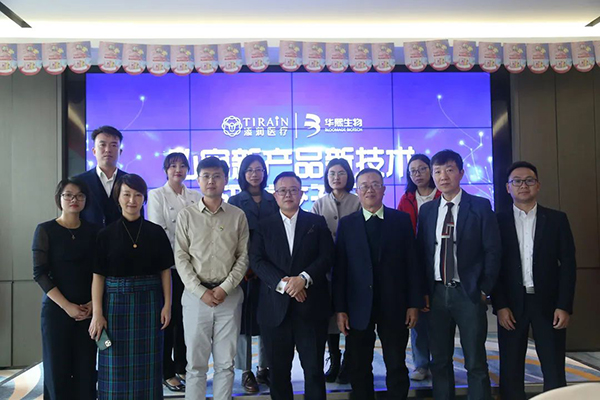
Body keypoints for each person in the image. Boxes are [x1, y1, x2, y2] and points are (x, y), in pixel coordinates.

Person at [416, 149, 501, 400]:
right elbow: (422, 253)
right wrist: (423, 291)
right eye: (438, 171)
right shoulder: (427, 210)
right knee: (440, 361)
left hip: (468, 293)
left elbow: (493, 250)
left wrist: (483, 289)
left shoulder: (480, 206)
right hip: (436, 293)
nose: (443, 176)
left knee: (475, 361)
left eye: (449, 170)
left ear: (461, 173)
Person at [333, 168, 422, 400]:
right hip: (358, 308)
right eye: (364, 186)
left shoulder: (400, 221)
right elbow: (340, 271)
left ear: (383, 189)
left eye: (375, 185)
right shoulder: (347, 224)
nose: (369, 190)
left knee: (396, 365)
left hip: (394, 305)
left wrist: (414, 303)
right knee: (360, 366)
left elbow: (412, 265)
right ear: (357, 191)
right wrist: (340, 309)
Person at [492, 161, 576, 400]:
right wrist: (500, 305)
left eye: (529, 180)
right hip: (511, 305)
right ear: (508, 188)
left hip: (548, 304)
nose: (523, 185)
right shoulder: (497, 221)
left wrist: (564, 305)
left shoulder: (557, 219)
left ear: (538, 185)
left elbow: (568, 265)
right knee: (510, 368)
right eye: (517, 181)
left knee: (553, 366)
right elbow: (493, 267)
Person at [251, 171, 334, 400]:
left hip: (311, 309)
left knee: (314, 371)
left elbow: (327, 256)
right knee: (278, 374)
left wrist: (303, 279)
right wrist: (285, 285)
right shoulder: (263, 226)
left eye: (293, 190)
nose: (288, 194)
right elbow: (256, 260)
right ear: (275, 195)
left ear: (301, 193)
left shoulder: (316, 222)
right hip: (274, 310)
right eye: (283, 190)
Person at [89, 174, 173, 400]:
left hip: (149, 304)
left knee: (149, 366)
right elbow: (98, 276)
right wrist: (97, 313)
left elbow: (165, 271)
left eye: (137, 195)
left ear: (144, 198)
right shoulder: (105, 234)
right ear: (118, 197)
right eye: (126, 194)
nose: (132, 200)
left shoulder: (156, 232)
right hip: (115, 306)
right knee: (113, 364)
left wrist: (167, 305)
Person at [175, 156, 249, 400]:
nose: (211, 181)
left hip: (229, 297)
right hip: (196, 298)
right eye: (205, 176)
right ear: (198, 180)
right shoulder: (186, 216)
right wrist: (201, 291)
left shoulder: (237, 216)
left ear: (225, 180)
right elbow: (181, 258)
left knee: (225, 364)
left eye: (217, 176)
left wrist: (225, 288)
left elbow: (243, 257)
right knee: (195, 365)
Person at [32, 178, 99, 400]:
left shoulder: (94, 231)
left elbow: (100, 271)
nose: (74, 199)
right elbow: (40, 274)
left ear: (86, 200)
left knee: (85, 372)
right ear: (59, 198)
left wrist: (93, 304)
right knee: (57, 372)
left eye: (80, 195)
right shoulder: (46, 230)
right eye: (68, 195)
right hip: (56, 310)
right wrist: (67, 306)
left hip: (88, 311)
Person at [148, 152, 201, 392]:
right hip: (168, 267)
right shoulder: (157, 195)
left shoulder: (195, 196)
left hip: (193, 268)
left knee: (186, 320)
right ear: (165, 170)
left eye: (182, 165)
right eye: (172, 166)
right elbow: (159, 232)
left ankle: (182, 365)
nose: (177, 169)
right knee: (168, 320)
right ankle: (166, 371)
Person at [228, 154, 278, 393]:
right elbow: (231, 237)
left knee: (268, 319)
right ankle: (246, 370)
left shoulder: (273, 199)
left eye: (259, 169)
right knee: (244, 323)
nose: (255, 174)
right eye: (250, 170)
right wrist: (245, 266)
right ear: (243, 173)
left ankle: (264, 368)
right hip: (244, 270)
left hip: (269, 269)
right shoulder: (235, 201)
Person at [310, 158, 360, 384]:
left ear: (348, 176)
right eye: (332, 173)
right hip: (326, 272)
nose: (336, 177)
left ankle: (350, 362)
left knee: (352, 315)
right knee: (330, 318)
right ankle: (334, 359)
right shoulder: (319, 204)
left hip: (353, 271)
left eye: (341, 173)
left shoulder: (357, 201)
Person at [396, 154, 441, 381]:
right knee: (418, 317)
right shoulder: (406, 199)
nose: (418, 174)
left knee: (439, 318)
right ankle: (421, 364)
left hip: (441, 260)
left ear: (431, 170)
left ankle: (440, 364)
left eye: (422, 169)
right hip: (415, 262)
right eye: (413, 171)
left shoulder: (443, 194)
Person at [76, 126, 135, 227]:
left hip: (123, 236)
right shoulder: (79, 181)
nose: (108, 150)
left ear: (120, 152)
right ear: (94, 151)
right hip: (90, 236)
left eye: (113, 145)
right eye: (102, 145)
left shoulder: (131, 182)